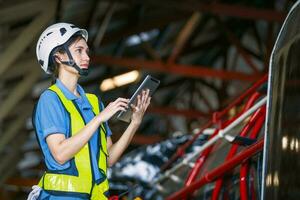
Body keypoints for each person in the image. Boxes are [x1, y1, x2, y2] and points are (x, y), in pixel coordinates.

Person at [32, 22, 151, 200]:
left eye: (86, 51)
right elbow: (61, 154)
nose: (86, 56)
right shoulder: (50, 99)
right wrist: (98, 119)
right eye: (79, 50)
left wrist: (135, 123)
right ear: (58, 57)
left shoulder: (94, 102)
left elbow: (108, 159)